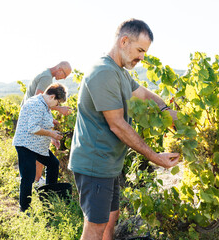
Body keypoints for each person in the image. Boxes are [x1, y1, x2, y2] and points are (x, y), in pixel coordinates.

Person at [68, 19, 180, 240]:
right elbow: (117, 124)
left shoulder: (119, 72)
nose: (141, 57)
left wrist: (165, 109)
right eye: (139, 50)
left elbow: (144, 94)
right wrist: (155, 157)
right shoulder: (103, 72)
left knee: (110, 218)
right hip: (95, 164)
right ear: (124, 41)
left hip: (108, 163)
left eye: (144, 52)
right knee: (95, 226)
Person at [13, 83, 67, 212]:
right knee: (28, 177)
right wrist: (51, 134)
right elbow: (33, 128)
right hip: (26, 145)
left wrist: (53, 138)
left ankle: (48, 198)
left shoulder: (44, 104)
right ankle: (25, 209)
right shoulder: (36, 104)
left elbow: (43, 124)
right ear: (52, 97)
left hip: (37, 146)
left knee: (53, 164)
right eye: (58, 103)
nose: (57, 106)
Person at [21, 61, 72, 186]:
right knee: (40, 149)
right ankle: (37, 181)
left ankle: (34, 180)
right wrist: (60, 108)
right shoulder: (47, 78)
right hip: (32, 117)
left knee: (38, 150)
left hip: (30, 116)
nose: (64, 78)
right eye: (65, 74)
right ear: (59, 68)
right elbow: (39, 100)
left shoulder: (45, 74)